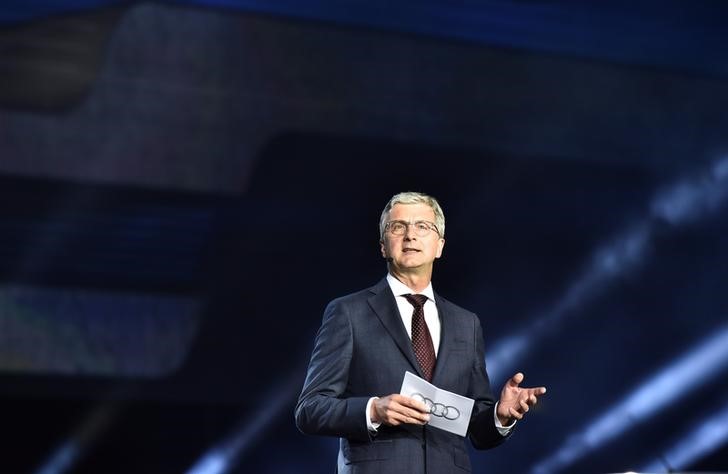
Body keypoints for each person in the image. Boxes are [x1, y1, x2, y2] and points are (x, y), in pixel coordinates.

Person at [295, 191, 546, 473]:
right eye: (398, 227)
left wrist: (500, 416)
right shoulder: (348, 312)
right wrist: (373, 409)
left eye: (422, 227)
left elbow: (477, 429)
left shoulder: (467, 323)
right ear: (383, 246)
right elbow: (310, 410)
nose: (410, 235)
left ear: (439, 246)